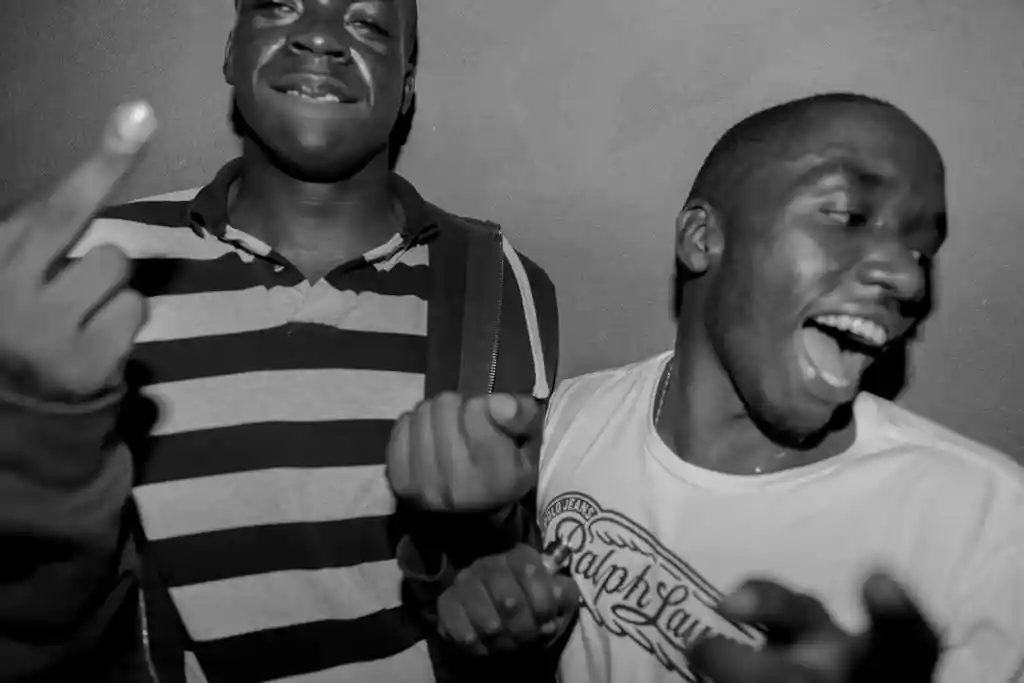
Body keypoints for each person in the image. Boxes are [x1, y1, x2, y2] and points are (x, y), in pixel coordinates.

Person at [0, 0, 558, 681]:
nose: (319, 37)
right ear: (232, 52)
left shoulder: (496, 279)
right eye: (279, 7)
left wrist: (489, 544)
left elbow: (502, 570)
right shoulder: (97, 270)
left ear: (407, 86)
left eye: (367, 24)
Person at [387, 93, 1024, 682]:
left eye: (922, 252)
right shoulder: (572, 420)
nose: (908, 280)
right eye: (847, 216)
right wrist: (476, 559)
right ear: (701, 239)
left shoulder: (987, 524)